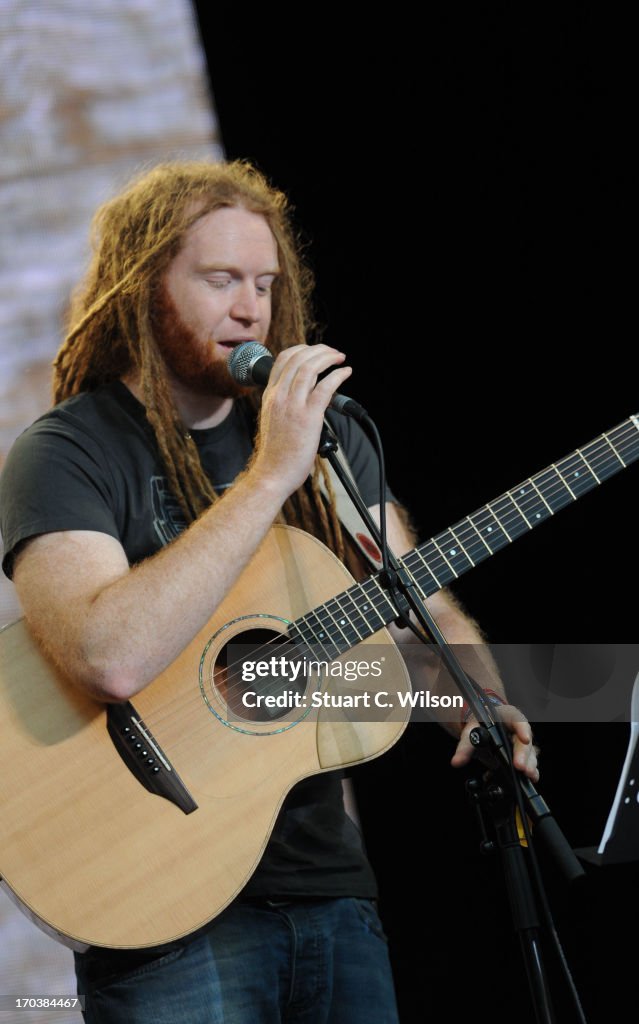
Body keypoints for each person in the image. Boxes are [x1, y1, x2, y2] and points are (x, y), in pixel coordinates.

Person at [0, 160, 538, 1023]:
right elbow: (109, 657)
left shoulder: (327, 446)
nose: (250, 307)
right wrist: (268, 475)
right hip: (157, 906)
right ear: (143, 288)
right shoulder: (68, 452)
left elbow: (418, 603)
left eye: (263, 283)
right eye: (219, 280)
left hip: (332, 895)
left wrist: (476, 695)